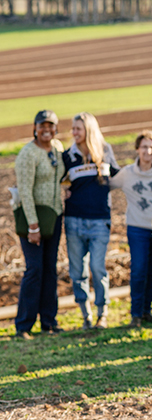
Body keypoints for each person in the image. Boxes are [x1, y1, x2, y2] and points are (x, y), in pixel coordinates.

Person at [63, 112, 119, 330]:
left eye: (78, 128)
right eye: (73, 128)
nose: (74, 132)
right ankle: (85, 315)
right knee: (78, 272)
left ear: (89, 130)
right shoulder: (67, 156)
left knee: (97, 267)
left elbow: (119, 177)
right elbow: (59, 181)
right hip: (74, 221)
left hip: (99, 221)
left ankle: (102, 313)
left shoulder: (105, 151)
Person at [13, 110, 65, 340]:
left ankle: (49, 321)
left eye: (51, 125)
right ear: (34, 127)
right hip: (33, 219)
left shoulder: (58, 149)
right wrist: (33, 225)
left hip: (53, 216)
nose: (47, 129)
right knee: (34, 269)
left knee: (50, 270)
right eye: (42, 125)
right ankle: (24, 325)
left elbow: (62, 177)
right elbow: (24, 191)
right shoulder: (28, 154)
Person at [110, 130, 152, 327]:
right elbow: (106, 186)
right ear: (137, 149)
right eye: (144, 147)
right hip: (137, 228)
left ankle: (147, 310)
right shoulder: (127, 174)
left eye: (151, 147)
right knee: (139, 269)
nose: (147, 151)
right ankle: (135, 314)